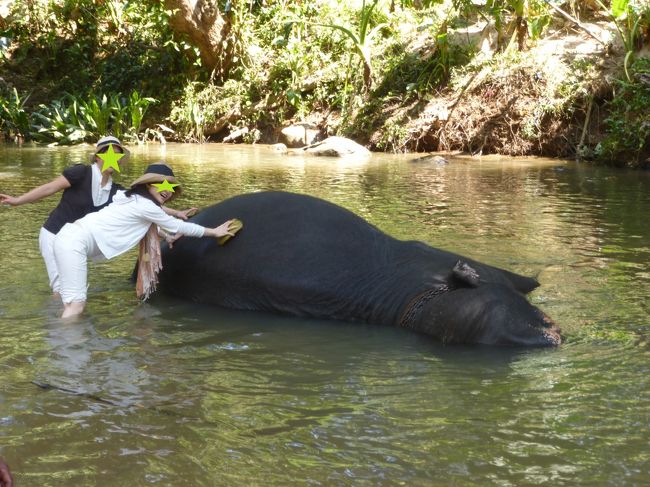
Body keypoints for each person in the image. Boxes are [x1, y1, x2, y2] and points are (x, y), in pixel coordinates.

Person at [0, 136, 195, 295]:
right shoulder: (81, 173)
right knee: (61, 289)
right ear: (98, 157)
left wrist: (176, 215)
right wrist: (18, 200)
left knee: (72, 290)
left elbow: (143, 209)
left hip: (76, 242)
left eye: (118, 156)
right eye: (110, 154)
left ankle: (67, 326)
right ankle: (60, 331)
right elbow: (49, 188)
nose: (114, 159)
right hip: (53, 234)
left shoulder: (116, 192)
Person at [53, 163, 236, 318]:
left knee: (70, 304)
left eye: (170, 188)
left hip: (67, 238)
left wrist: (167, 237)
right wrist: (214, 232)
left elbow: (144, 225)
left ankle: (64, 345)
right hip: (74, 243)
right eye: (162, 184)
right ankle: (68, 353)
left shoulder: (130, 198)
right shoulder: (146, 206)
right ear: (148, 185)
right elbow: (177, 226)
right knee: (76, 306)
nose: (167, 191)